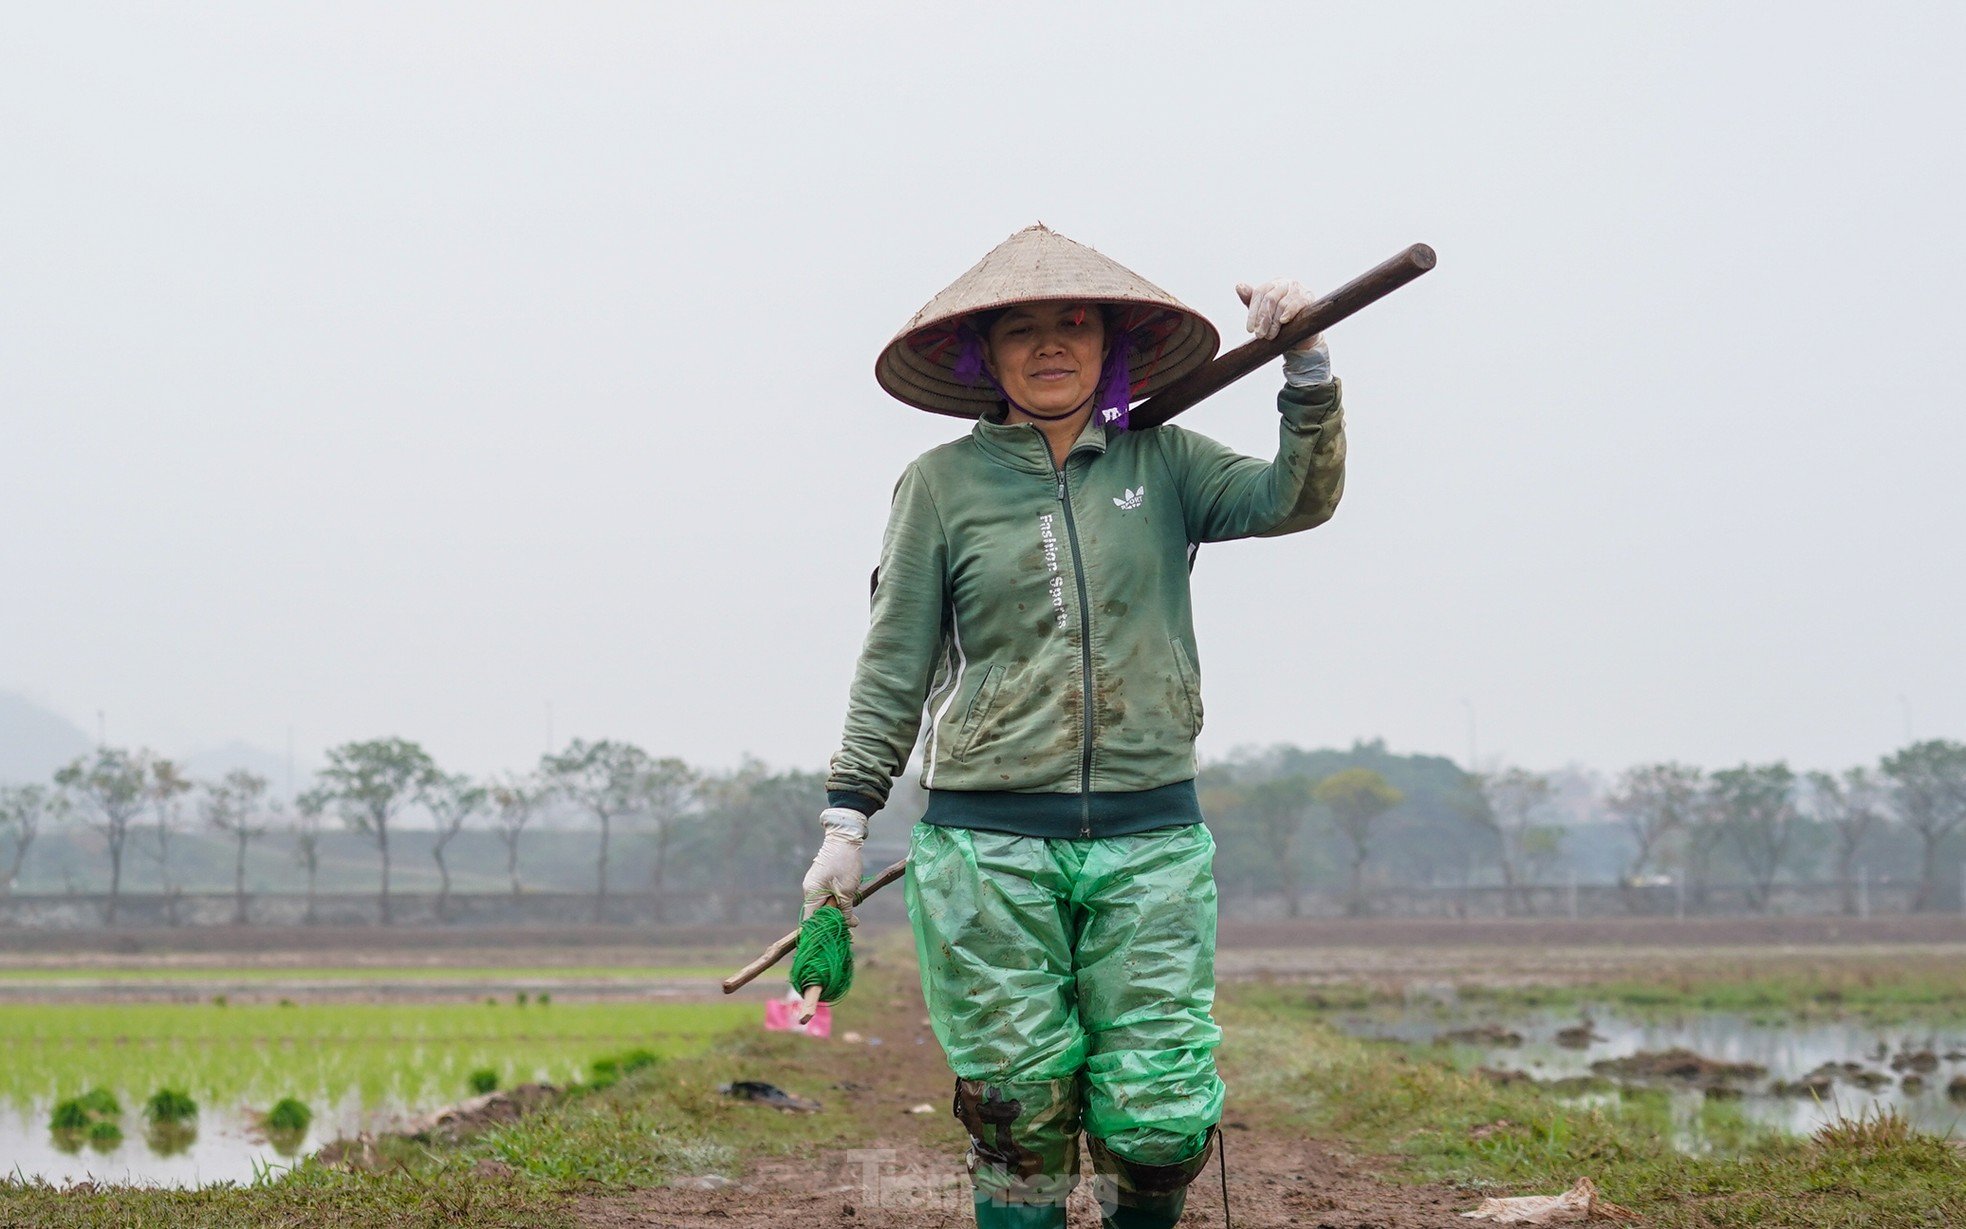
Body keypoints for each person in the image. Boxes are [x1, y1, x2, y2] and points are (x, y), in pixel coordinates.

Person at [802, 224, 1346, 1229]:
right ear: (984, 355)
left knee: (1158, 1115)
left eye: (1074, 323)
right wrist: (847, 816)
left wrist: (1303, 367)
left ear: (1109, 344)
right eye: (1023, 328)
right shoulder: (940, 486)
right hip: (986, 843)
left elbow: (1294, 497)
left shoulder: (1167, 462)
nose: (1051, 344)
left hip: (1150, 834)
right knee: (1016, 1106)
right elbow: (896, 660)